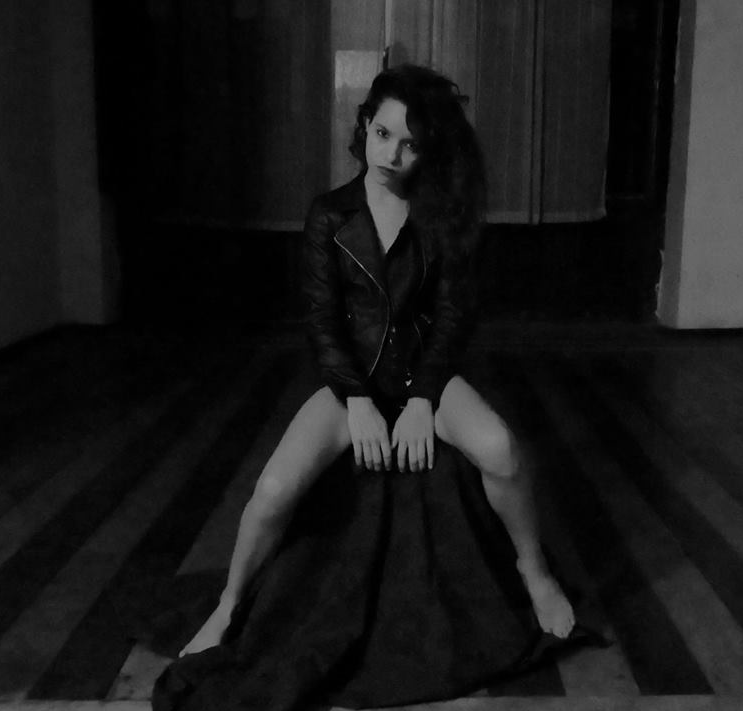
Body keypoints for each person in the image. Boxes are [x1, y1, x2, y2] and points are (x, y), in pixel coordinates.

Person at [178, 64, 575, 659]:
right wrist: (357, 399)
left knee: (501, 450)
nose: (392, 154)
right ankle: (229, 603)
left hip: (423, 372)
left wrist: (421, 399)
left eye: (411, 144)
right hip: (352, 379)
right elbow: (321, 320)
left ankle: (534, 571)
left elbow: (452, 319)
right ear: (364, 125)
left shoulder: (440, 214)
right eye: (384, 133)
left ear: (429, 150)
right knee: (274, 488)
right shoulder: (329, 214)